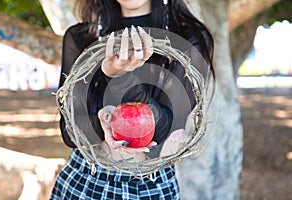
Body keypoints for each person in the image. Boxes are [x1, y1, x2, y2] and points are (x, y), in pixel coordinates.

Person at [50, 0, 214, 199]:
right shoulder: (82, 37)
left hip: (151, 185)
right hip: (84, 182)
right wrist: (104, 124)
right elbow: (69, 132)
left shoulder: (187, 39)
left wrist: (120, 78)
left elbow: (163, 134)